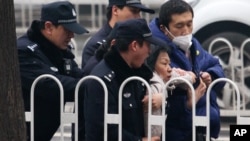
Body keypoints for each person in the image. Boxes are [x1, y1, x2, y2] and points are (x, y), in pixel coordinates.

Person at [148, 0, 226, 140]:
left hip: (201, 126)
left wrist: (211, 75)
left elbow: (215, 64)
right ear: (164, 28)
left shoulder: (192, 44)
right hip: (175, 130)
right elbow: (155, 90)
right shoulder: (155, 51)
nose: (186, 31)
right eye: (179, 26)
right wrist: (188, 103)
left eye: (189, 24)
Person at [84, 18, 167, 141]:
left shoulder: (137, 72)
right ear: (134, 46)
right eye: (147, 45)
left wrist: (161, 99)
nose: (150, 51)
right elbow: (102, 130)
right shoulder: (102, 81)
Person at [16, 1, 88, 140]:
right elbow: (50, 85)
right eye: (67, 30)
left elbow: (79, 75)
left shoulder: (57, 50)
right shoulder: (24, 51)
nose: (72, 36)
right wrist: (91, 85)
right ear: (49, 27)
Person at [143, 46, 206, 138]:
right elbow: (153, 131)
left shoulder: (163, 77)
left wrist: (186, 73)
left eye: (169, 64)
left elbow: (188, 79)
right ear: (152, 65)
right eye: (164, 64)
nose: (169, 69)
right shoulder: (155, 86)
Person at [81, 0, 155, 68]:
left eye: (139, 12)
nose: (138, 17)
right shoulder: (95, 45)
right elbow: (91, 78)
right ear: (115, 10)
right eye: (134, 11)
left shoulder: (137, 40)